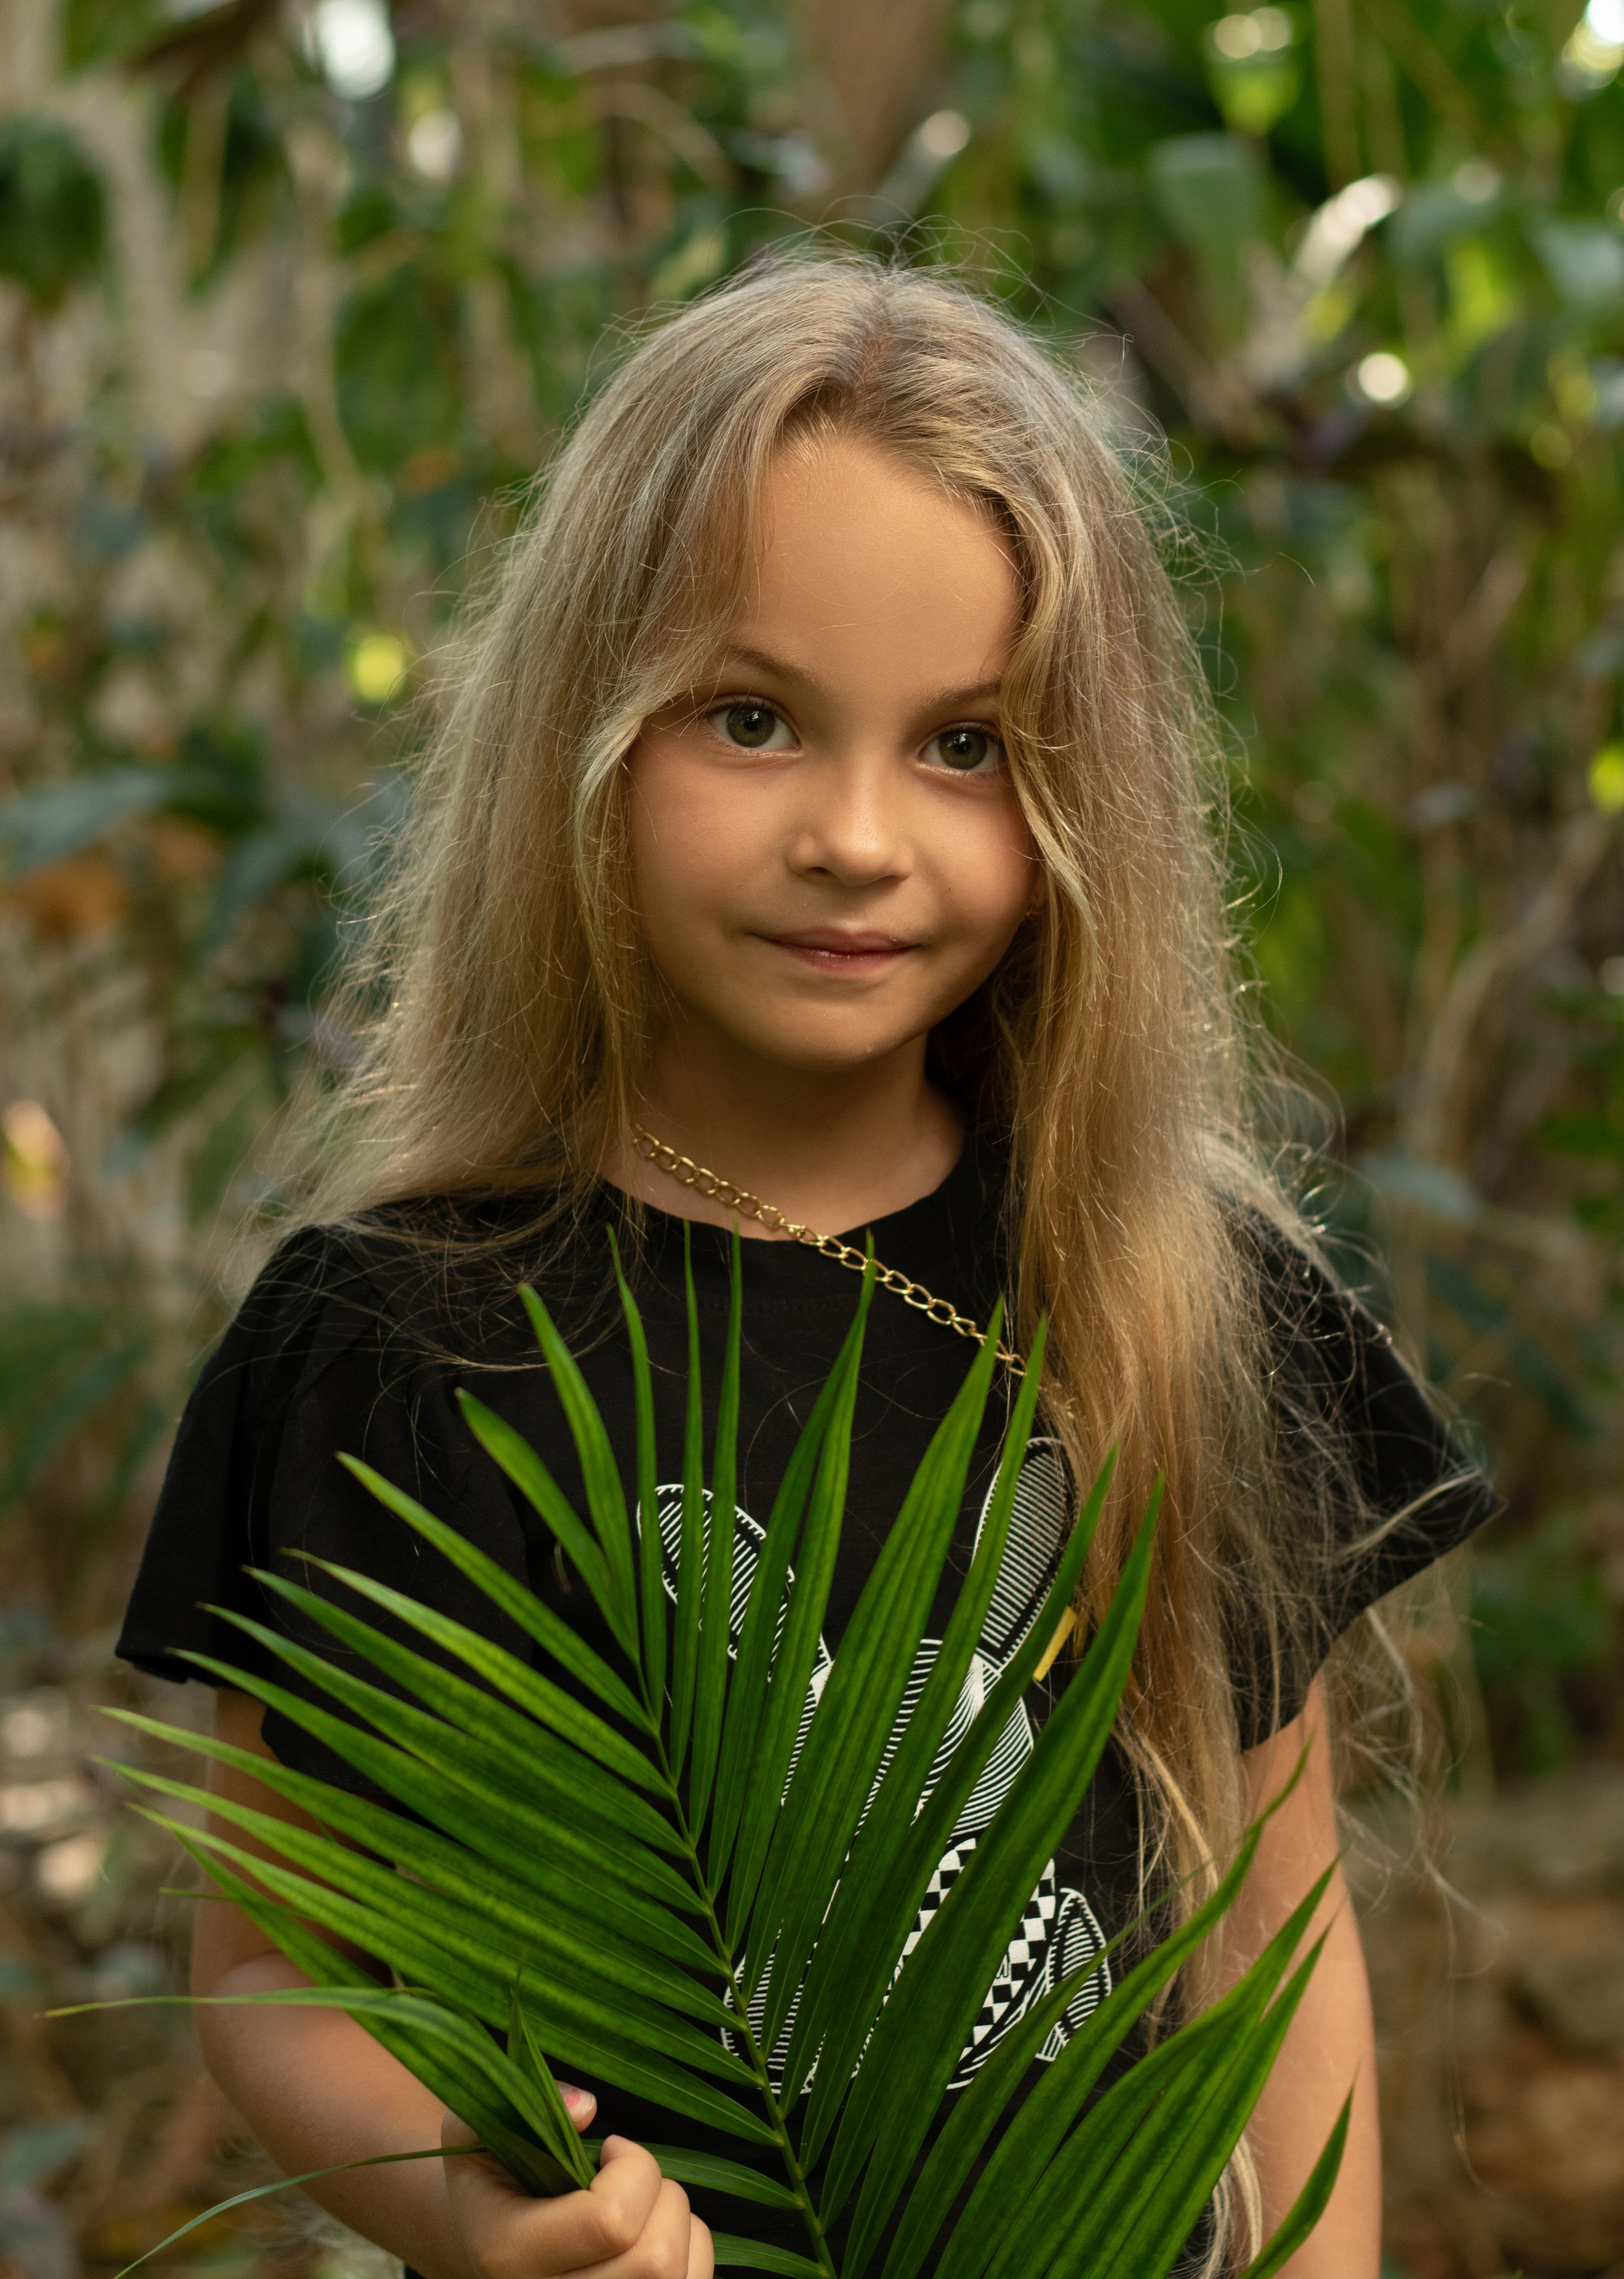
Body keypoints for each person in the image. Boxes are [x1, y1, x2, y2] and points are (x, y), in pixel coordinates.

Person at [119, 257, 1497, 2279]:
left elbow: (1280, 1942)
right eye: (753, 720)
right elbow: (267, 1955)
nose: (858, 837)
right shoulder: (391, 1341)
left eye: (965, 746)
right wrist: (466, 2203)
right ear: (584, 732)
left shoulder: (1175, 1292)